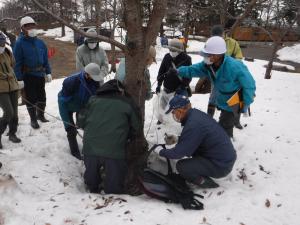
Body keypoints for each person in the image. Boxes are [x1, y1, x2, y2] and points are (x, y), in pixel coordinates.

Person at [171, 36, 255, 138]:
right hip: (221, 96)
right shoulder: (208, 65)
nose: (205, 57)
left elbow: (249, 86)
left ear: (217, 55)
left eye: (207, 54)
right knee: (226, 122)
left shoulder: (235, 66)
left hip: (235, 99)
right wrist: (179, 70)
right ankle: (226, 139)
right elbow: (193, 70)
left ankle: (225, 144)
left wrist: (245, 103)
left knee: (225, 124)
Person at [154, 95, 236, 188]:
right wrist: (177, 138)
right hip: (224, 157)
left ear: (181, 110)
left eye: (174, 112)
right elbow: (196, 137)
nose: (173, 115)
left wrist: (160, 150)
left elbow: (178, 153)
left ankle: (207, 183)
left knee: (182, 167)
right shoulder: (195, 115)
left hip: (221, 165)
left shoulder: (194, 124)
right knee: (192, 151)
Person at [77, 79, 141, 194]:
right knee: (114, 189)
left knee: (91, 184)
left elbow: (80, 121)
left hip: (90, 149)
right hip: (115, 151)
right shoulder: (127, 103)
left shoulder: (92, 100)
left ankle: (93, 188)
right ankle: (113, 202)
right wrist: (128, 135)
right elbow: (137, 127)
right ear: (120, 91)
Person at [58, 63, 103, 160]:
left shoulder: (95, 82)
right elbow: (64, 99)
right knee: (71, 130)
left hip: (82, 105)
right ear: (87, 74)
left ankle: (88, 150)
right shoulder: (72, 82)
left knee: (88, 126)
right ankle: (75, 153)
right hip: (66, 105)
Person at [13, 16, 52, 129]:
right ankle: (33, 119)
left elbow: (45, 59)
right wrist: (19, 79)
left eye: (32, 25)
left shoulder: (40, 43)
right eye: (28, 26)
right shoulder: (19, 43)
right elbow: (17, 63)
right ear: (23, 28)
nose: (31, 28)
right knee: (31, 98)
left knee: (42, 97)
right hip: (28, 75)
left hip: (40, 74)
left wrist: (48, 72)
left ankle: (41, 115)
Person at [208, 25, 244, 129]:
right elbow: (207, 57)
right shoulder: (210, 43)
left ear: (223, 35)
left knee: (236, 98)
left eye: (219, 36)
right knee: (213, 96)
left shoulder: (232, 43)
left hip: (232, 76)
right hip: (216, 76)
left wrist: (231, 65)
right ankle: (209, 117)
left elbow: (239, 57)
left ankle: (236, 120)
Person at [0, 32, 22, 149]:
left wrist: (17, 79)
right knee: (8, 113)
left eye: (3, 43)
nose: (1, 46)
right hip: (1, 89)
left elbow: (13, 66)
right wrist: (5, 75)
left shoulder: (7, 52)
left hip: (13, 86)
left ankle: (12, 133)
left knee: (15, 113)